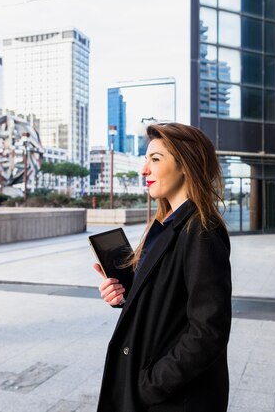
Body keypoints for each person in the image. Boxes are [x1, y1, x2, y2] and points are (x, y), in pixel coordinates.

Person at [94, 123, 232, 412]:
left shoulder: (200, 231)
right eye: (146, 160)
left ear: (186, 165)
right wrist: (125, 297)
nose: (144, 169)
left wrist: (152, 385)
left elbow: (209, 330)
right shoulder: (170, 224)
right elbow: (169, 301)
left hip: (174, 399)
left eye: (155, 159)